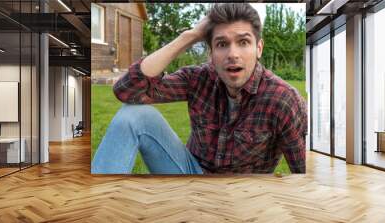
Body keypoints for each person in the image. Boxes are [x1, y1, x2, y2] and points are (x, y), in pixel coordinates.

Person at [91, 3, 307, 174]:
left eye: (243, 42)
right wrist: (190, 36)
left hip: (243, 196)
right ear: (211, 52)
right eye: (222, 44)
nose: (233, 54)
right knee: (133, 114)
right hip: (190, 175)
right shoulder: (198, 78)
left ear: (258, 48)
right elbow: (127, 90)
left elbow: (302, 172)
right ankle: (99, 205)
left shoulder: (284, 99)